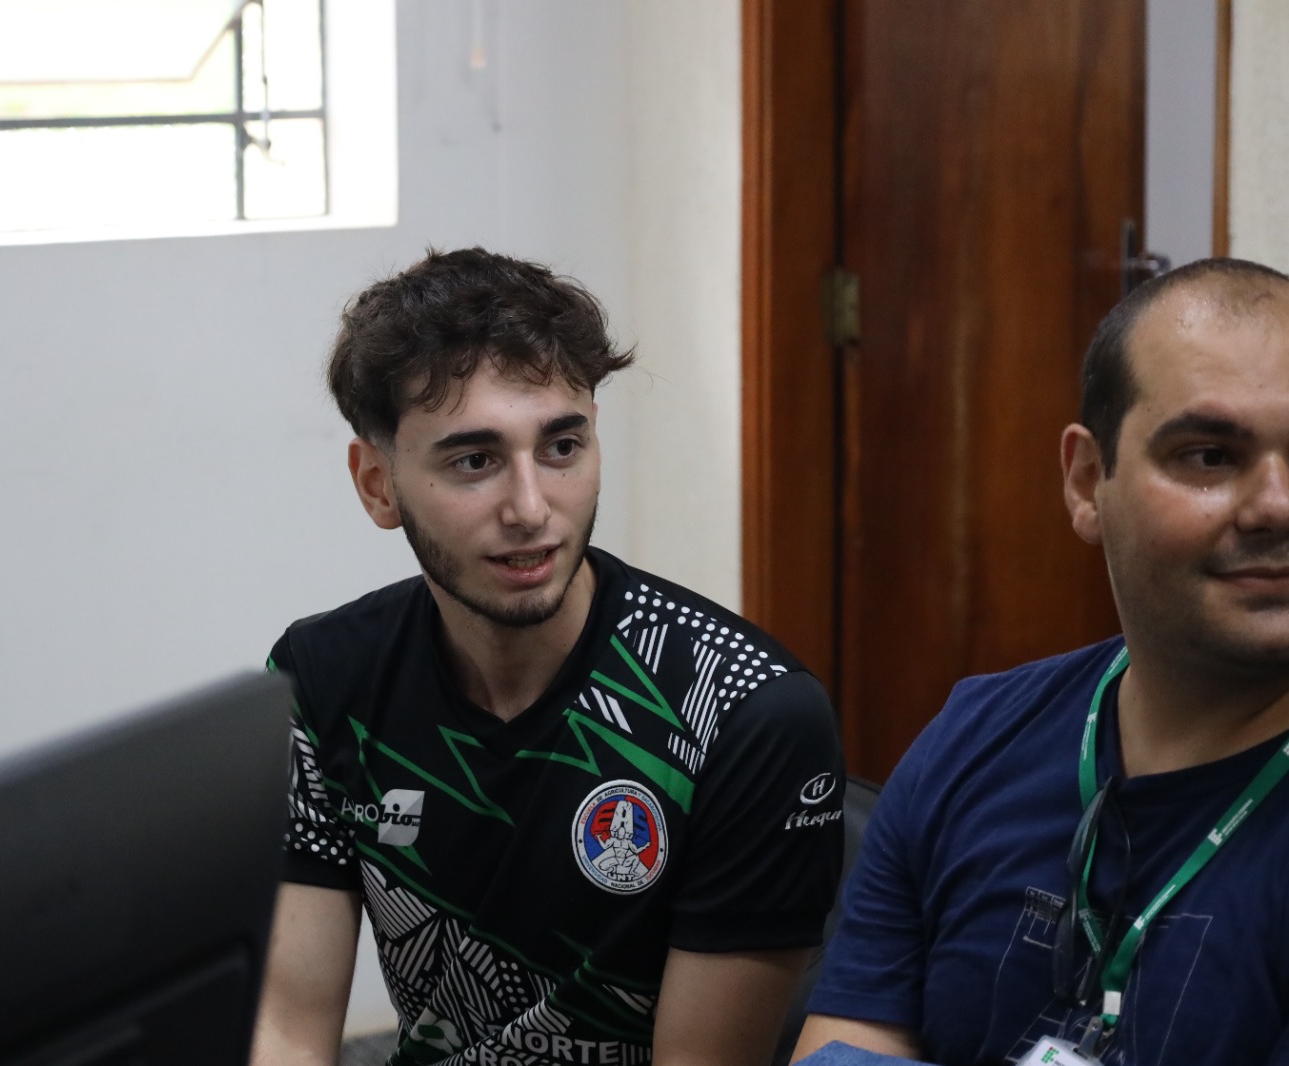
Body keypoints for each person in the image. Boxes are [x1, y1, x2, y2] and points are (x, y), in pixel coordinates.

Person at [251, 247, 845, 1066]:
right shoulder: (322, 676)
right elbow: (287, 1030)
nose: (531, 509)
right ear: (378, 484)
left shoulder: (745, 711)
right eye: (475, 461)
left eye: (562, 448)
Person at [793, 257, 1289, 1066]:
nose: (1276, 504)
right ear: (1089, 482)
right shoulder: (973, 739)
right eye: (1209, 456)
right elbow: (845, 1044)